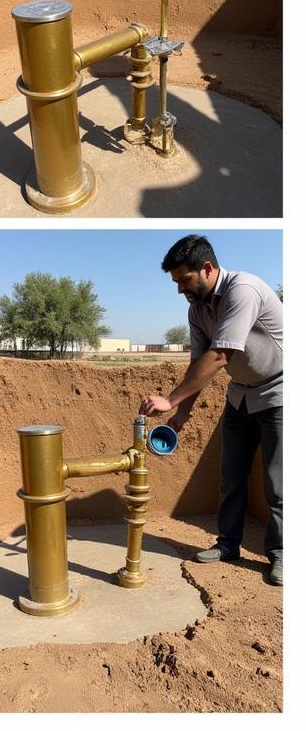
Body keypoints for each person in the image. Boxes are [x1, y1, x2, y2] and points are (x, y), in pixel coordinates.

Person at [142, 235, 283, 585]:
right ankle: (228, 544)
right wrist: (183, 412)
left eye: (184, 280)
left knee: (277, 481)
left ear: (207, 269)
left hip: (281, 391)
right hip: (240, 396)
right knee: (231, 475)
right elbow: (197, 363)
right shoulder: (197, 308)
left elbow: (221, 355)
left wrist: (170, 400)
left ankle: (282, 554)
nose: (179, 289)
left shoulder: (243, 290)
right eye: (175, 282)